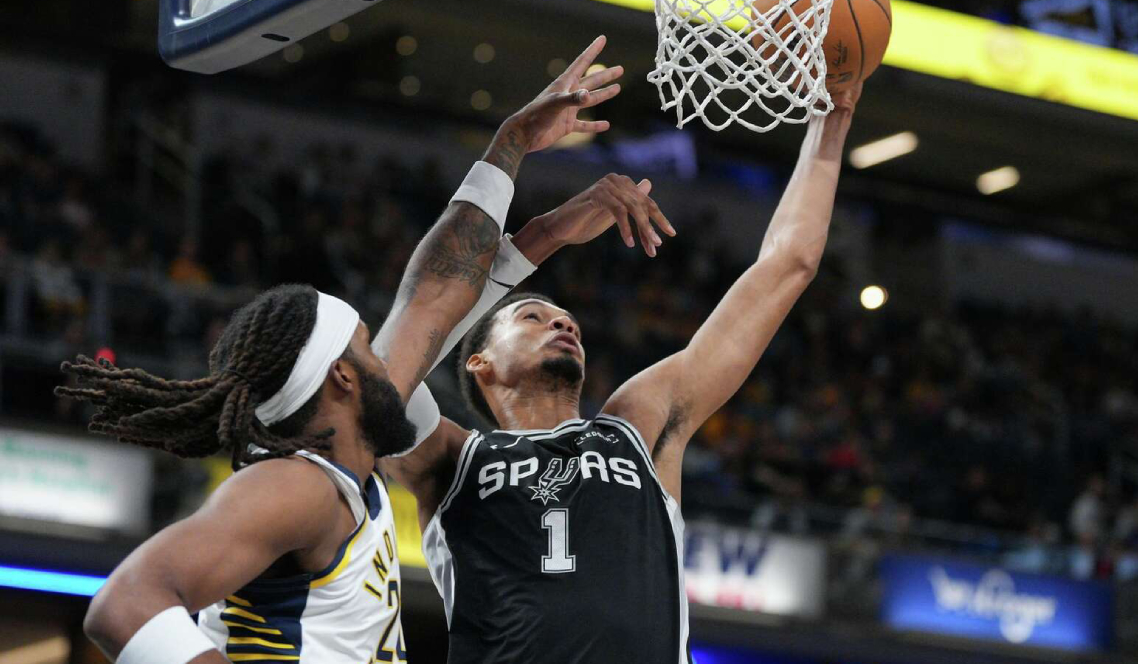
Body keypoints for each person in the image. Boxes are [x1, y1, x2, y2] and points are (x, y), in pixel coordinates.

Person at [57, 36, 655, 664]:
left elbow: (432, 299)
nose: (392, 356)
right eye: (370, 346)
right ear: (343, 380)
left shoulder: (337, 467)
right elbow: (127, 603)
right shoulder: (298, 486)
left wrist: (520, 173)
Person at [381, 82, 863, 664]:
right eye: (533, 316)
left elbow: (786, 267)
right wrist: (536, 229)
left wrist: (830, 120)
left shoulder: (636, 423)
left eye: (570, 323)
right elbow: (393, 363)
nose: (566, 326)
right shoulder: (451, 461)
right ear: (478, 361)